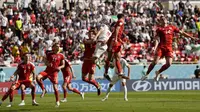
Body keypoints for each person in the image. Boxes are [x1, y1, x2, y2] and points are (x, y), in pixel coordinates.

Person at [141, 15, 196, 81]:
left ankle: (158, 72)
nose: (164, 20)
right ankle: (146, 74)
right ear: (160, 22)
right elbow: (157, 39)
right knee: (155, 62)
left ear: (167, 21)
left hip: (169, 48)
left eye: (165, 19)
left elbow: (182, 33)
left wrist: (191, 37)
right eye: (162, 19)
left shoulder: (172, 27)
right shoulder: (159, 29)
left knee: (169, 64)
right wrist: (155, 47)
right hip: (161, 47)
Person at [36, 43, 65, 107]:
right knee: (37, 77)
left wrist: (59, 67)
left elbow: (63, 65)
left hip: (54, 72)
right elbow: (45, 60)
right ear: (53, 47)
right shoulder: (49, 54)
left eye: (59, 46)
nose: (58, 47)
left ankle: (57, 102)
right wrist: (48, 64)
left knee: (55, 87)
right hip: (47, 71)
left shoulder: (61, 55)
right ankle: (44, 89)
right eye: (56, 46)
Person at [104, 13, 126, 81]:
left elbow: (117, 32)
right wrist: (116, 39)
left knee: (112, 58)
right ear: (123, 17)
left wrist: (122, 42)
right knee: (116, 58)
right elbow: (117, 29)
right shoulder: (120, 21)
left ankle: (106, 72)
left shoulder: (118, 22)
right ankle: (119, 72)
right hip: (113, 40)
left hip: (113, 40)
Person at [82, 28, 101, 96]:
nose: (90, 35)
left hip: (92, 61)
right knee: (83, 78)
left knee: (90, 79)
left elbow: (96, 41)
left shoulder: (96, 41)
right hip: (86, 61)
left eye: (92, 34)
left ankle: (97, 86)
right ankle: (97, 84)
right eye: (89, 33)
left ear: (94, 35)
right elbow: (88, 42)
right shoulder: (86, 40)